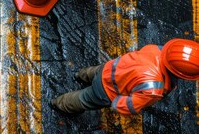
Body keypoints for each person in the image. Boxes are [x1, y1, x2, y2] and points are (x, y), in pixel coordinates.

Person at [50, 38, 199, 115]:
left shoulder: (156, 49)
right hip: (106, 91)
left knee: (90, 73)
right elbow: (123, 106)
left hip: (108, 68)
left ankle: (79, 76)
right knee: (82, 99)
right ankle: (58, 104)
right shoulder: (153, 88)